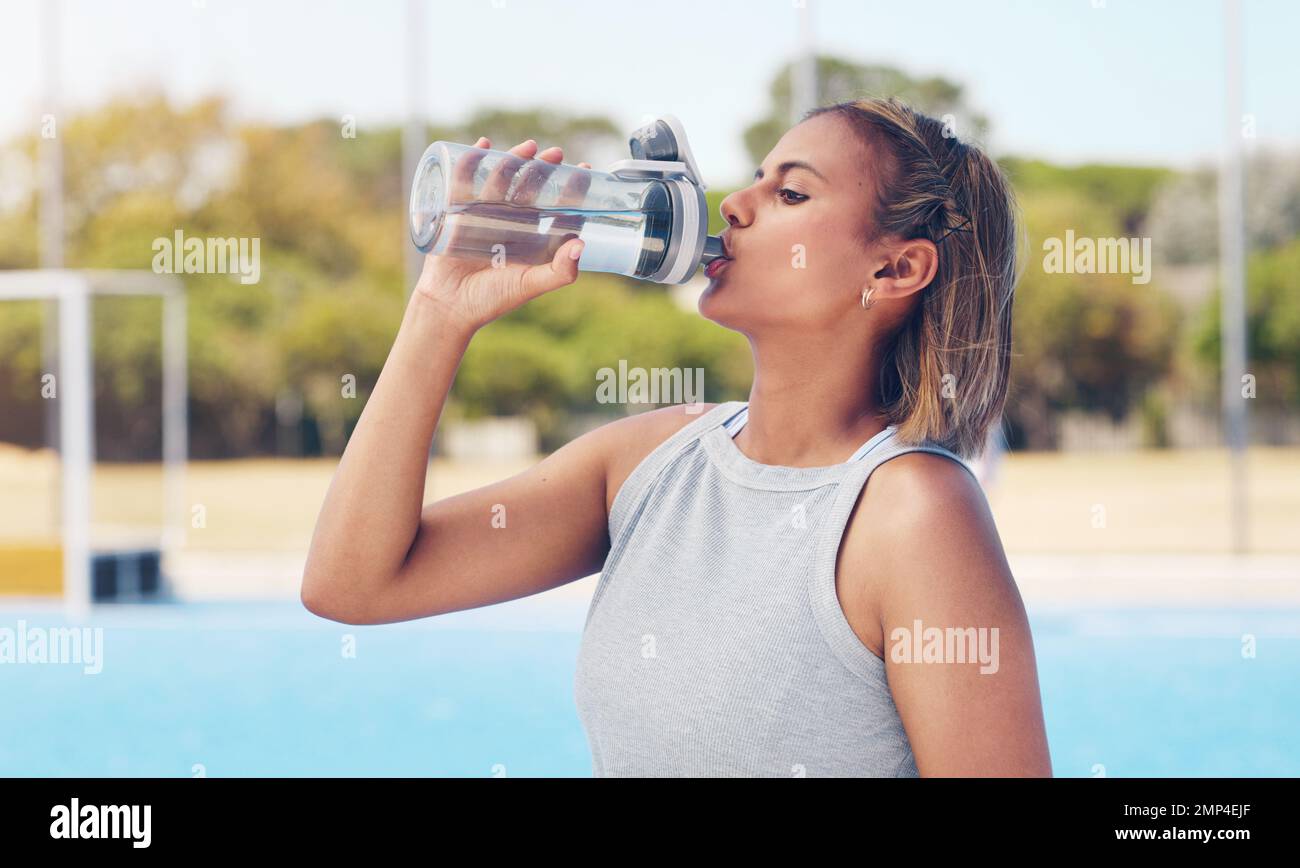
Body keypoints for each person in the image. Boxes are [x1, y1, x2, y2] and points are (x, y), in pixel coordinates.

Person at [301, 97, 1052, 777]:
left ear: (895, 268)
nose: (734, 204)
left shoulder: (912, 513)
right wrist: (440, 311)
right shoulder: (648, 463)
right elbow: (353, 583)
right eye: (757, 178)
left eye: (790, 192)